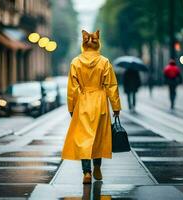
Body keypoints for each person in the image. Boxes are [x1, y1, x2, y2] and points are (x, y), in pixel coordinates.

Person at [62, 30, 121, 184]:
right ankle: (97, 166)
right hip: (100, 101)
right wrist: (116, 106)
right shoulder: (105, 62)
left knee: (84, 139)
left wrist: (71, 107)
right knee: (99, 137)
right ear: (97, 44)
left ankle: (86, 173)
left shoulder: (75, 62)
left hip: (83, 103)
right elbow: (111, 85)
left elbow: (72, 88)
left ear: (83, 44)